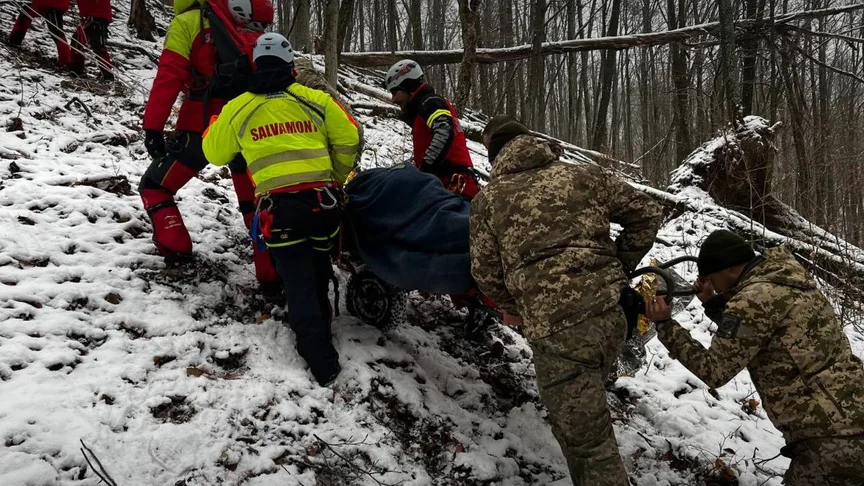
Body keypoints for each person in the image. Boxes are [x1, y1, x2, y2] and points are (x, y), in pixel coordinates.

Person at [470, 116, 663, 485]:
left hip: (559, 333)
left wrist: (517, 306)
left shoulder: (489, 200)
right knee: (589, 407)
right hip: (612, 316)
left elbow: (485, 274)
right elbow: (648, 213)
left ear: (495, 155)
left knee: (590, 447)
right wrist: (617, 268)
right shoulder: (584, 175)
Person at [645, 230, 864, 486]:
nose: (711, 284)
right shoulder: (786, 280)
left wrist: (665, 325)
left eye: (710, 277)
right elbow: (759, 334)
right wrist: (714, 303)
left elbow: (715, 371)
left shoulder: (751, 300)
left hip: (830, 438)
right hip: (851, 417)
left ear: (725, 269)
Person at [202, 33, 360, 386]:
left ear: (256, 64)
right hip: (323, 205)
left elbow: (213, 154)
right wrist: (334, 176)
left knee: (298, 280)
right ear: (291, 65)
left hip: (281, 210)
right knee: (318, 268)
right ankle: (322, 329)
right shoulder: (315, 100)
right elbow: (350, 137)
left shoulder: (239, 107)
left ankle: (320, 359)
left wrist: (217, 123)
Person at [138, 0, 280, 291]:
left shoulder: (189, 22)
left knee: (155, 186)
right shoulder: (245, 18)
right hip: (249, 124)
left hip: (201, 124)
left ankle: (176, 246)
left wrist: (153, 126)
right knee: (255, 205)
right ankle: (272, 277)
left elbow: (169, 74)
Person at [384, 59, 479, 199]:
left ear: (407, 86)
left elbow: (444, 130)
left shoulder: (431, 103)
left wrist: (425, 169)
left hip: (454, 186)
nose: (393, 99)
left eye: (395, 92)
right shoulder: (424, 107)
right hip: (447, 185)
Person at [7, 0, 72, 69]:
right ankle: (14, 41)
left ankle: (65, 62)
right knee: (26, 11)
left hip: (53, 5)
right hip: (43, 4)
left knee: (56, 32)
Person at [70, 0, 113, 80]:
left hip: (97, 15)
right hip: (90, 16)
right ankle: (76, 71)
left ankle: (108, 75)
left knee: (98, 46)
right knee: (77, 41)